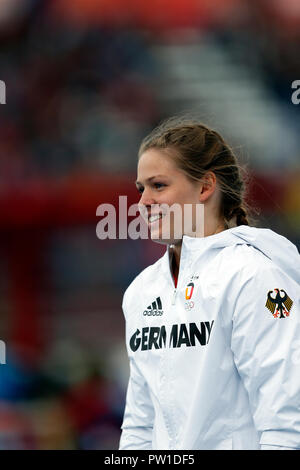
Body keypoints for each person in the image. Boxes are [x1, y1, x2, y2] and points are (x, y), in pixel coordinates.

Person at [118, 116, 300, 450]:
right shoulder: (140, 293)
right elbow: (139, 426)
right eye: (141, 189)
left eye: (158, 186)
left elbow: (287, 420)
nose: (143, 202)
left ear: (205, 187)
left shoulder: (253, 276)